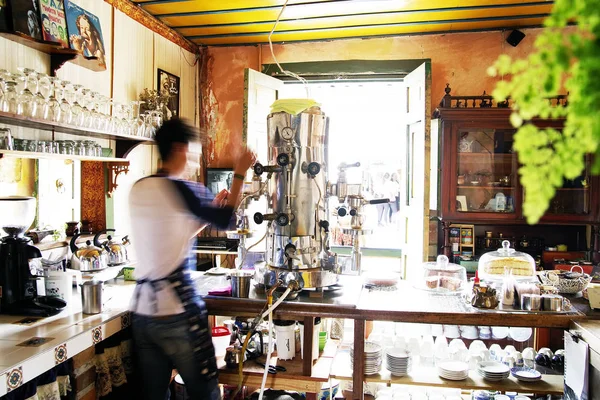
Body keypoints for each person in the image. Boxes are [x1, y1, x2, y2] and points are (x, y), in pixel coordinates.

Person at [128, 118, 255, 400]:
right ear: (180, 148)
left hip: (144, 314)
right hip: (176, 313)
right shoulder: (182, 189)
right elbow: (227, 221)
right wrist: (239, 174)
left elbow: (171, 233)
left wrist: (207, 208)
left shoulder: (139, 188)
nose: (197, 158)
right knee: (204, 393)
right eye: (195, 150)